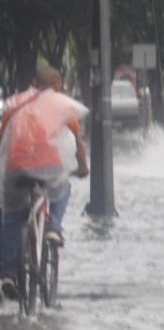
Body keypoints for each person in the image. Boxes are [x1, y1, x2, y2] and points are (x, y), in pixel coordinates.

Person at [0, 67, 88, 299]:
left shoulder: (14, 103)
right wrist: (82, 167)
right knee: (62, 188)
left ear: (33, 83)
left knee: (11, 216)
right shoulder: (62, 105)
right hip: (50, 166)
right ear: (58, 86)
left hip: (15, 167)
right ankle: (53, 227)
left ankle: (7, 273)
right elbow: (78, 144)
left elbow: (3, 139)